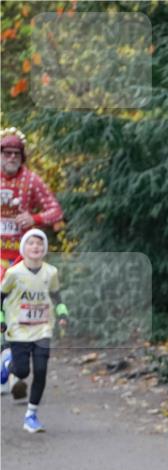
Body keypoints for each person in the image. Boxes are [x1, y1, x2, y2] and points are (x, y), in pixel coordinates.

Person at [1, 127, 63, 396]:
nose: (12, 158)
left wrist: (34, 219)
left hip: (21, 258)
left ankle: (13, 369)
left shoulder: (32, 181)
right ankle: (8, 365)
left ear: (22, 156)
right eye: (7, 153)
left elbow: (55, 210)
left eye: (17, 153)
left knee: (19, 310)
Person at [1, 229, 69, 432]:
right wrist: (2, 319)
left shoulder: (51, 272)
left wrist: (63, 314)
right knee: (22, 371)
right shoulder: (14, 273)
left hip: (42, 329)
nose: (36, 247)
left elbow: (56, 295)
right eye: (30, 243)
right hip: (18, 330)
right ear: (24, 248)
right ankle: (7, 363)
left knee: (41, 371)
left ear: (45, 249)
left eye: (39, 243)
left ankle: (31, 415)